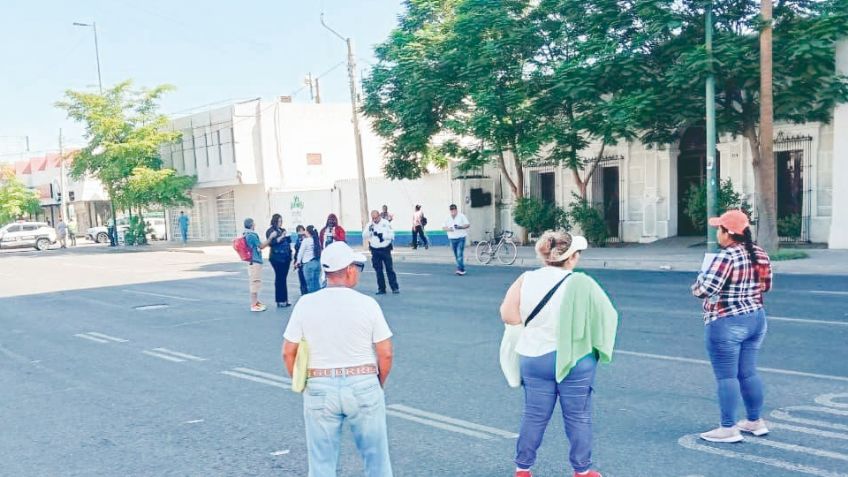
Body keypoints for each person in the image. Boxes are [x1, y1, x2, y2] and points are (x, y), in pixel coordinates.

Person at [499, 231, 617, 477]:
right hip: (575, 358)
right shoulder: (583, 283)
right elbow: (608, 316)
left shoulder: (526, 279)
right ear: (571, 257)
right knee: (578, 417)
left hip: (534, 357)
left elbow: (508, 315)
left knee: (534, 415)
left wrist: (536, 328)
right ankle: (582, 471)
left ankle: (522, 469)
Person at [282, 241, 394, 477]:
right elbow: (385, 352)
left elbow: (288, 352)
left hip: (319, 384)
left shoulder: (305, 304)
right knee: (377, 462)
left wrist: (303, 384)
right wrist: (377, 384)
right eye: (357, 268)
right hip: (363, 381)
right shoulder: (368, 304)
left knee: (321, 464)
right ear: (350, 270)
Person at [691, 209, 773, 443]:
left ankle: (728, 427)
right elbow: (766, 286)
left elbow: (704, 290)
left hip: (726, 321)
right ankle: (755, 421)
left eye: (719, 229)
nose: (717, 233)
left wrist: (698, 281)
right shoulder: (760, 253)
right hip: (756, 319)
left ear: (727, 233)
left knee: (727, 377)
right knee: (748, 372)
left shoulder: (726, 256)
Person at [243, 217, 277, 312]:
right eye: (254, 223)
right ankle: (254, 304)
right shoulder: (251, 235)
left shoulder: (246, 234)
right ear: (251, 225)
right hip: (254, 261)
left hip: (252, 260)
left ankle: (256, 302)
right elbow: (261, 246)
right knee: (255, 282)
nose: (255, 225)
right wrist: (270, 238)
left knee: (255, 281)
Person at [366, 210, 399, 295]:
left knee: (389, 269)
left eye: (376, 218)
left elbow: (392, 235)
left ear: (379, 216)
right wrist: (369, 231)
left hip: (385, 249)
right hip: (375, 250)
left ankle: (394, 288)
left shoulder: (386, 223)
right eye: (373, 218)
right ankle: (381, 289)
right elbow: (364, 235)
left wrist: (383, 236)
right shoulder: (370, 224)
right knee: (378, 270)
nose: (374, 220)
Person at [267, 214, 293, 308]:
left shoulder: (282, 230)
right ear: (275, 221)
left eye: (281, 221)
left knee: (283, 278)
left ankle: (284, 299)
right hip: (277, 258)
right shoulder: (271, 231)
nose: (280, 223)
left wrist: (287, 236)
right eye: (279, 221)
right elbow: (271, 243)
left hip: (286, 257)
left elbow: (288, 241)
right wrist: (282, 236)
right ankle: (280, 300)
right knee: (279, 278)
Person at [443, 204, 470, 275]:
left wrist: (460, 227)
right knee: (456, 255)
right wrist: (449, 229)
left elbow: (467, 224)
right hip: (452, 238)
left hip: (461, 238)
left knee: (459, 253)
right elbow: (443, 227)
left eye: (454, 210)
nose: (453, 211)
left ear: (456, 210)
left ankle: (459, 269)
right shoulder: (447, 217)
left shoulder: (461, 216)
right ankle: (462, 269)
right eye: (451, 210)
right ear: (450, 211)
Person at [295, 225, 322, 293]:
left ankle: (311, 298)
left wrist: (298, 262)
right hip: (317, 263)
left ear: (308, 232)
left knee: (310, 284)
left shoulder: (306, 240)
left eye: (305, 230)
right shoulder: (316, 240)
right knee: (316, 282)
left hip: (308, 264)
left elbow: (301, 252)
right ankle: (318, 297)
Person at [293, 225, 309, 296]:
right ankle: (303, 293)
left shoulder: (307, 239)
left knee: (306, 278)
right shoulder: (298, 240)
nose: (300, 232)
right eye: (299, 231)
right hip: (300, 262)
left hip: (306, 261)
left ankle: (307, 293)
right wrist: (295, 261)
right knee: (301, 278)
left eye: (302, 230)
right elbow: (297, 252)